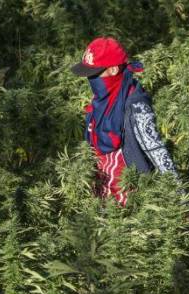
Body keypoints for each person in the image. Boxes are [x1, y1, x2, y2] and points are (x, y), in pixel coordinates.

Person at [70, 37, 180, 206]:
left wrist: (179, 197)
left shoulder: (135, 105)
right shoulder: (101, 102)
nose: (90, 80)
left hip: (131, 201)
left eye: (94, 74)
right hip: (102, 198)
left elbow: (157, 150)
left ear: (113, 69)